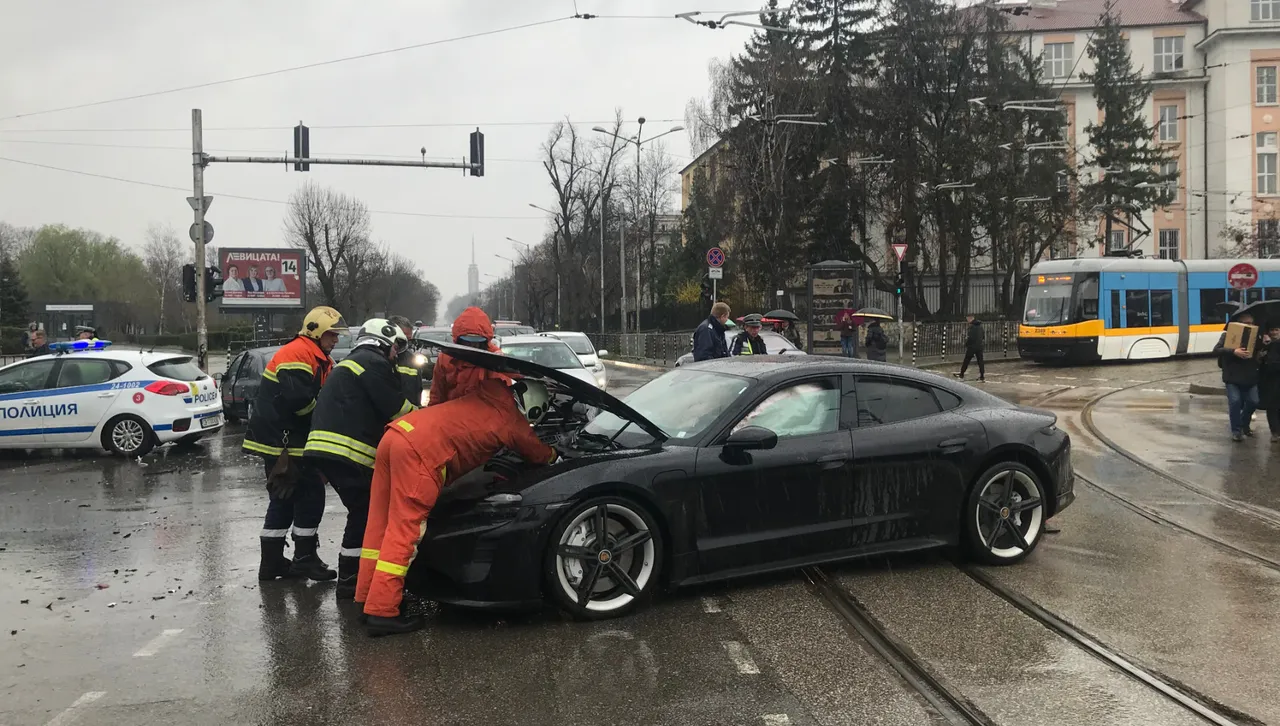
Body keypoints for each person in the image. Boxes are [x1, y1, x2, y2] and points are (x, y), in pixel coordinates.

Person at [356, 376, 558, 636]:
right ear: (533, 407)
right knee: (406, 532)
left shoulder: (487, 394)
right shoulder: (511, 420)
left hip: (397, 435)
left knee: (380, 525)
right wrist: (555, 454)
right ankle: (382, 612)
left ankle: (367, 598)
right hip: (421, 453)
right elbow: (536, 452)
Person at [304, 318, 416, 601]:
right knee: (364, 514)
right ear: (382, 341)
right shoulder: (374, 364)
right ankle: (351, 580)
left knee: (361, 512)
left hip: (326, 449)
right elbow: (398, 410)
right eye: (395, 348)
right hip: (345, 452)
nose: (396, 355)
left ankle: (352, 578)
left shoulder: (354, 361)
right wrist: (431, 418)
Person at [244, 305, 346, 582]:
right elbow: (300, 402)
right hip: (286, 442)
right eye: (332, 334)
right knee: (310, 496)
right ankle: (302, 559)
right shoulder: (299, 354)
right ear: (316, 332)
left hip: (283, 440)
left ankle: (274, 562)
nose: (335, 340)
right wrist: (324, 422)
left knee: (284, 498)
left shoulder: (314, 355)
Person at [428, 306, 499, 407]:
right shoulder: (446, 358)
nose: (472, 346)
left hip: (483, 417)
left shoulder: (495, 359)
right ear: (459, 340)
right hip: (451, 416)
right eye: (468, 342)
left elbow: (500, 397)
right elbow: (437, 394)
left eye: (476, 343)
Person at [1214, 312, 1261, 441]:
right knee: (1235, 402)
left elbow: (1262, 353)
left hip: (1250, 377)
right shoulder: (1227, 335)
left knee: (1254, 401)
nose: (1250, 326)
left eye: (1251, 323)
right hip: (1232, 377)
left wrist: (1266, 343)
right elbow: (1216, 350)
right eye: (1246, 323)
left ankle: (1244, 424)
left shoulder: (1257, 337)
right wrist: (1234, 351)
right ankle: (1236, 431)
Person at [388, 315, 425, 404]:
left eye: (408, 339)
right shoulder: (377, 358)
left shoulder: (411, 360)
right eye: (403, 338)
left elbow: (417, 389)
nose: (406, 343)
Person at [1258, 321, 1280, 442]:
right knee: (1272, 407)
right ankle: (1275, 432)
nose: (1274, 332)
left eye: (1276, 329)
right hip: (1269, 382)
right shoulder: (1266, 346)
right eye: (1271, 330)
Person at [955, 315, 985, 382]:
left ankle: (961, 375)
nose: (967, 321)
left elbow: (970, 338)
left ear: (970, 319)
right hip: (980, 346)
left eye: (967, 319)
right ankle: (982, 377)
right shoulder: (980, 327)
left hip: (972, 347)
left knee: (966, 360)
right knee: (980, 361)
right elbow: (983, 336)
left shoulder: (972, 327)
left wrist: (967, 344)